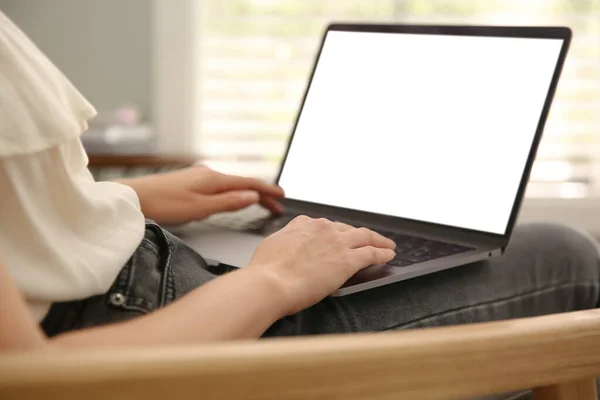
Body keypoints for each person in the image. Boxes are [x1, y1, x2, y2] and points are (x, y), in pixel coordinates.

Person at [1, 9, 599, 354]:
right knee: (567, 256)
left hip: (151, 276)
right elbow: (34, 379)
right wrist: (275, 279)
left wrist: (125, 198)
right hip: (184, 329)